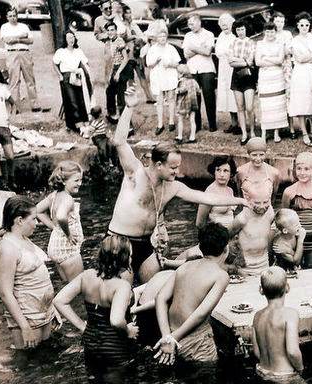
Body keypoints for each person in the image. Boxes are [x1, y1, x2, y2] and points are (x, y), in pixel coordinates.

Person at [108, 87, 248, 283]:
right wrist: (129, 108)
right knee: (121, 293)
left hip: (146, 244)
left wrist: (240, 199)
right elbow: (119, 142)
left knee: (153, 290)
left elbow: (205, 197)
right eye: (173, 167)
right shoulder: (135, 174)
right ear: (158, 165)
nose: (177, 171)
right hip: (121, 240)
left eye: (178, 167)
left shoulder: (173, 187)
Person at [53, 234, 138, 384]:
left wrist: (83, 326)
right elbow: (115, 320)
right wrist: (128, 330)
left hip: (91, 344)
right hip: (114, 348)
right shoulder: (121, 286)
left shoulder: (87, 276)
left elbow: (59, 300)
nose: (131, 258)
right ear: (123, 258)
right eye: (129, 254)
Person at [153, 223, 231, 364]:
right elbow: (201, 313)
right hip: (195, 339)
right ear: (226, 248)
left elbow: (160, 298)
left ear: (200, 247)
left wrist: (167, 336)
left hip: (171, 331)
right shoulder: (221, 275)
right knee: (206, 381)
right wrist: (173, 339)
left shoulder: (185, 266)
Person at [0, 196, 57, 349]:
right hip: (28, 317)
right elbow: (4, 292)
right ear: (19, 220)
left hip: (43, 312)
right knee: (31, 364)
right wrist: (25, 327)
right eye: (34, 219)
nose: (37, 224)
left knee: (45, 359)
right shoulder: (7, 248)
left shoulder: (23, 238)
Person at [36, 161, 84, 282]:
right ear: (63, 181)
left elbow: (37, 211)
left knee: (68, 286)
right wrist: (68, 234)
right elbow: (61, 216)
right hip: (67, 248)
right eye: (76, 181)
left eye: (81, 180)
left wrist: (54, 227)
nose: (80, 184)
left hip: (56, 247)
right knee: (79, 286)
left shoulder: (54, 195)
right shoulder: (68, 199)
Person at [252, 267, 304, 380]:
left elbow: (256, 352)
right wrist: (300, 369)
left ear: (261, 290)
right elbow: (292, 351)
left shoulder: (257, 316)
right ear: (287, 288)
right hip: (284, 375)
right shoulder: (290, 314)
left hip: (262, 372)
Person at [281, 152, 312, 268]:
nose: (302, 173)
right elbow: (284, 217)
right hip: (294, 239)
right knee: (293, 270)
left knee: (311, 270)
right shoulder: (289, 192)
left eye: (306, 169)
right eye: (299, 168)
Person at [0, 7, 43, 112]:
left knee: (30, 80)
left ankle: (35, 105)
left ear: (17, 16)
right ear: (7, 17)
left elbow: (30, 40)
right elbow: (7, 40)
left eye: (14, 16)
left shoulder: (23, 26)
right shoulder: (4, 27)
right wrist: (21, 37)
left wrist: (16, 39)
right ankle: (15, 107)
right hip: (12, 54)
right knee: (14, 81)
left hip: (25, 53)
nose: (13, 18)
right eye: (10, 16)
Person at [229, 187, 274, 278]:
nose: (262, 206)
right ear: (247, 199)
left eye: (265, 202)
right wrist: (236, 266)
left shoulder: (270, 213)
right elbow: (226, 237)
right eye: (257, 203)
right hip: (245, 268)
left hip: (264, 263)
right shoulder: (242, 219)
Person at [53, 31, 93, 132]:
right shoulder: (61, 51)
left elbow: (86, 62)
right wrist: (60, 76)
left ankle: (85, 122)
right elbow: (54, 63)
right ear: (65, 39)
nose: (71, 39)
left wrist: (88, 74)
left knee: (81, 99)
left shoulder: (78, 51)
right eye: (69, 38)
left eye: (73, 37)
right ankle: (78, 125)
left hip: (77, 76)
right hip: (66, 76)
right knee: (72, 100)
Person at [183, 14, 217, 132]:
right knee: (194, 98)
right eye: (189, 24)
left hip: (206, 69)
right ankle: (197, 124)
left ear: (199, 22)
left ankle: (212, 123)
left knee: (209, 97)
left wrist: (193, 48)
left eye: (192, 24)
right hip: (192, 69)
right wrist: (199, 48)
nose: (190, 26)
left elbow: (207, 52)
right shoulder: (187, 35)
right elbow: (186, 54)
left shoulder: (209, 34)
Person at [289, 13, 312, 147]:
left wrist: (309, 56)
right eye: (302, 25)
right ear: (298, 26)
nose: (305, 27)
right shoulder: (294, 40)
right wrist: (310, 55)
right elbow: (299, 59)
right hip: (299, 72)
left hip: (311, 71)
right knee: (300, 101)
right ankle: (304, 132)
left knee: (311, 100)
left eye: (307, 25)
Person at [256, 22, 288, 143]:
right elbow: (258, 62)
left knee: (277, 104)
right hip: (265, 77)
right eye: (268, 31)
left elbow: (280, 60)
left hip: (277, 76)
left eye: (272, 31)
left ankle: (276, 132)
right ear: (264, 32)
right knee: (266, 104)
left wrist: (266, 58)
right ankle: (264, 133)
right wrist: (272, 61)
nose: (270, 34)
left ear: (275, 32)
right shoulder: (259, 44)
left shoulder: (280, 44)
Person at [146, 25, 180, 135]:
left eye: (164, 36)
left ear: (167, 37)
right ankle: (160, 124)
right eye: (160, 37)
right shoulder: (152, 49)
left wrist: (170, 64)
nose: (162, 39)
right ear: (156, 38)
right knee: (159, 100)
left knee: (171, 98)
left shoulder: (171, 48)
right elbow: (148, 64)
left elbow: (177, 63)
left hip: (169, 75)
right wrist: (156, 61)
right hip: (157, 76)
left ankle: (171, 122)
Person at [229, 20, 257, 143]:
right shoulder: (233, 43)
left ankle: (252, 131)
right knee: (240, 107)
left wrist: (239, 61)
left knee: (249, 107)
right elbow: (230, 62)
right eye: (238, 30)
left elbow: (250, 61)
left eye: (242, 29)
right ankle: (244, 133)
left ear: (246, 29)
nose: (240, 32)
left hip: (248, 75)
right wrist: (244, 61)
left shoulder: (251, 42)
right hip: (236, 76)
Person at [196, 156, 237, 229]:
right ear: (214, 172)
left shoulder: (230, 190)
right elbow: (199, 223)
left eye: (225, 171)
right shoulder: (209, 192)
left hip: (231, 235)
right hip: (216, 236)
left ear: (231, 174)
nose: (221, 174)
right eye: (218, 170)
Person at [235, 137, 281, 202]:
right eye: (254, 155)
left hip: (266, 209)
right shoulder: (240, 171)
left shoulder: (274, 172)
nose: (258, 158)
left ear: (265, 154)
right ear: (248, 155)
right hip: (247, 209)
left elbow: (273, 196)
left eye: (261, 155)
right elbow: (239, 194)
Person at [216, 13, 239, 134]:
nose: (225, 27)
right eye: (222, 24)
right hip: (223, 68)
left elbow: (234, 52)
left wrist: (226, 53)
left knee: (234, 94)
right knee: (226, 95)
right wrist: (225, 53)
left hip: (233, 67)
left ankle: (240, 123)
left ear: (231, 24)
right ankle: (234, 123)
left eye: (227, 24)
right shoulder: (220, 36)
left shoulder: (235, 36)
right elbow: (217, 51)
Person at [105, 21, 132, 123]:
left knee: (121, 96)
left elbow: (125, 58)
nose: (110, 32)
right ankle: (113, 115)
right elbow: (114, 60)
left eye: (112, 30)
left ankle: (127, 124)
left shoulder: (119, 41)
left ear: (116, 31)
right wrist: (111, 74)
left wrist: (118, 73)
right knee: (110, 91)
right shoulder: (111, 42)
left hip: (122, 69)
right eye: (108, 30)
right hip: (116, 68)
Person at [175, 64, 200, 143]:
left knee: (180, 120)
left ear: (181, 74)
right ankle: (192, 137)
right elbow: (198, 90)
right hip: (192, 103)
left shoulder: (182, 81)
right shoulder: (193, 81)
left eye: (177, 73)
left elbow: (183, 89)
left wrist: (177, 91)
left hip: (183, 103)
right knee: (192, 120)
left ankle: (180, 136)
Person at [93, 1, 116, 81]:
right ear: (101, 9)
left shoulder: (117, 17)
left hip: (121, 44)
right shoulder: (98, 20)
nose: (109, 10)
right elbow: (97, 35)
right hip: (109, 45)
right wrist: (105, 35)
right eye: (106, 8)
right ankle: (108, 85)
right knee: (109, 67)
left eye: (110, 8)